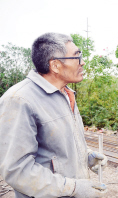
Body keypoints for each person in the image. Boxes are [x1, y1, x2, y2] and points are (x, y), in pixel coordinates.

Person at [0, 33, 107, 198]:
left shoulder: (66, 94)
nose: (82, 62)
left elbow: (56, 148)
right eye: (77, 57)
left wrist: (86, 156)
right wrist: (74, 188)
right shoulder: (19, 100)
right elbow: (17, 170)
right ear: (55, 65)